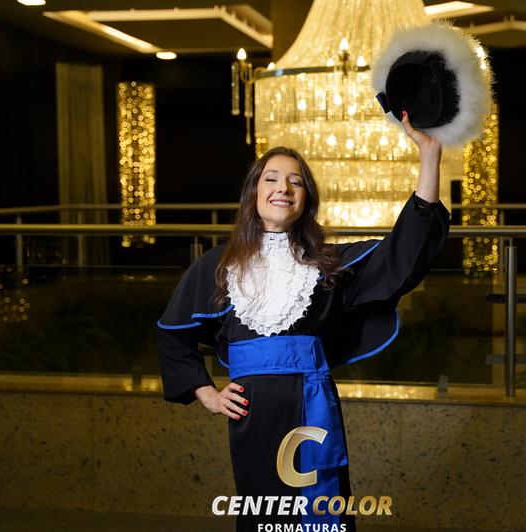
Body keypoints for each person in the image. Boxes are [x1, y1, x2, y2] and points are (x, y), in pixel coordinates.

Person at [157, 111, 450, 532]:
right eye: (272, 178)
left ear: (306, 200)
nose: (283, 188)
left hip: (311, 405)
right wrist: (206, 393)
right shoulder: (217, 267)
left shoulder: (328, 265)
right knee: (262, 516)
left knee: (319, 511)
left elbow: (404, 253)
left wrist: (430, 156)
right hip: (252, 416)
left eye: (296, 182)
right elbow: (172, 334)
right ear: (254, 193)